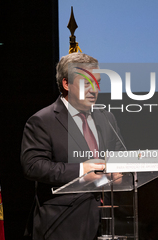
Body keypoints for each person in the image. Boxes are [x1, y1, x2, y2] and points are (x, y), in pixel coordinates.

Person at [21, 53, 125, 240]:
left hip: (106, 221)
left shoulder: (106, 118)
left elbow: (119, 155)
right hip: (62, 224)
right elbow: (33, 166)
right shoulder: (43, 121)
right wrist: (81, 169)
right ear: (66, 84)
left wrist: (119, 172)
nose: (94, 89)